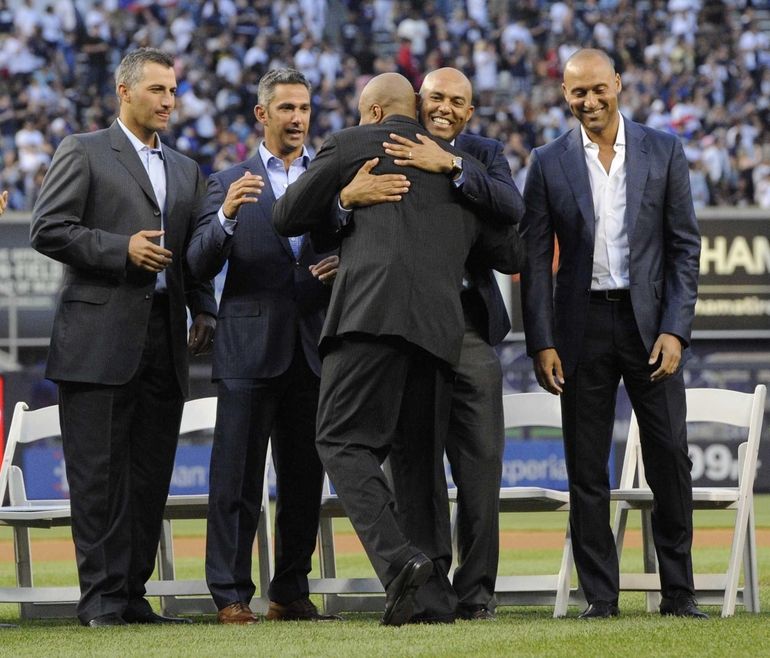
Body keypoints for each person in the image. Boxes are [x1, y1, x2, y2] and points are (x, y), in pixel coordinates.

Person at [273, 72, 523, 626]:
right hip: (439, 331)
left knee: (338, 439)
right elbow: (511, 245)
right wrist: (351, 201)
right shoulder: (463, 173)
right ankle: (431, 599)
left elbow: (285, 216)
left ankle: (402, 559)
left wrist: (339, 192)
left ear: (375, 113)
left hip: (370, 316)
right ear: (416, 105)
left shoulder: (354, 143)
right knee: (416, 460)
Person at [30, 48, 217, 627]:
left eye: (173, 90)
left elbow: (190, 256)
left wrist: (204, 308)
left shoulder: (186, 169)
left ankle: (132, 597)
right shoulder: (83, 151)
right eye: (157, 90)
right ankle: (101, 600)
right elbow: (48, 228)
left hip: (165, 338)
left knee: (148, 474)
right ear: (124, 91)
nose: (168, 101)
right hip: (97, 339)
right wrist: (121, 250)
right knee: (99, 478)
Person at [520, 48, 705, 619]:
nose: (589, 101)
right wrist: (541, 340)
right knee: (585, 465)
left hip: (650, 325)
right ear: (564, 94)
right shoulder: (547, 161)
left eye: (599, 88)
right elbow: (532, 258)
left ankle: (679, 593)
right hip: (580, 328)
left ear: (618, 84)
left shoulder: (664, 150)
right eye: (578, 92)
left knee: (670, 456)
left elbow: (684, 249)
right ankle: (601, 597)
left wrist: (676, 329)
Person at [186, 68, 340, 625]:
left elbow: (351, 245)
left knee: (304, 479)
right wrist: (226, 215)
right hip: (248, 351)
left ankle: (289, 591)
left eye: (304, 107)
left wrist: (343, 263)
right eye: (287, 109)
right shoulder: (225, 181)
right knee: (236, 479)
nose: (298, 118)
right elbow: (197, 262)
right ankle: (229, 594)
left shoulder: (327, 178)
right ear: (262, 114)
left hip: (313, 348)